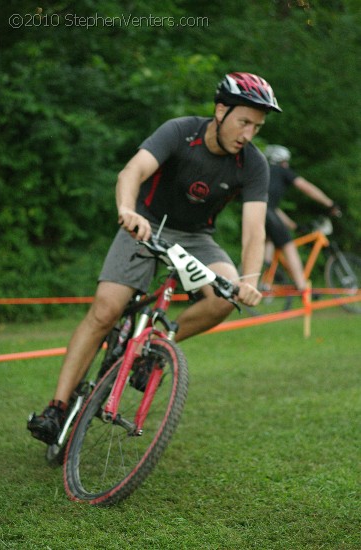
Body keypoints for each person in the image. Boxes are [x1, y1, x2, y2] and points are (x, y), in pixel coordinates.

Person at [27, 72, 282, 445]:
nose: (248, 134)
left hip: (196, 238)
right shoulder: (180, 131)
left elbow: (254, 229)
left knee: (223, 298)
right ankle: (57, 407)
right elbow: (133, 171)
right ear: (221, 110)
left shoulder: (254, 163)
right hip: (145, 224)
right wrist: (127, 210)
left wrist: (250, 279)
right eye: (243, 122)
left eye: (256, 127)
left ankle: (152, 348)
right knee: (105, 310)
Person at [263, 145, 341, 290]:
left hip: (257, 211)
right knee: (288, 244)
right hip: (267, 212)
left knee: (270, 240)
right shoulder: (282, 171)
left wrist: (294, 226)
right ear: (282, 161)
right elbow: (306, 187)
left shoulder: (265, 173)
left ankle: (265, 275)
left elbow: (273, 208)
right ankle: (302, 285)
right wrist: (329, 204)